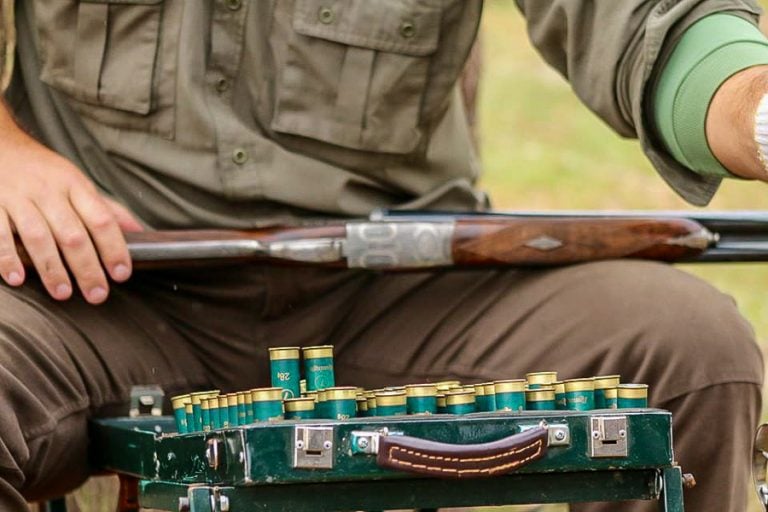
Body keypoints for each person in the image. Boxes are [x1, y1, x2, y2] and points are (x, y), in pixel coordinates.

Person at [0, 1, 764, 510]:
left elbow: (644, 21)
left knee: (689, 351)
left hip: (405, 288)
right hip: (98, 288)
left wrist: (755, 110)